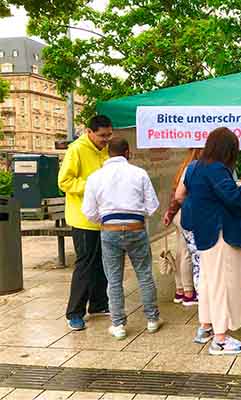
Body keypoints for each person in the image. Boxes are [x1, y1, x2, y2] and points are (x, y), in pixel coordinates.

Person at [81, 138, 163, 339]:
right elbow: (153, 206)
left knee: (114, 279)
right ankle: (152, 320)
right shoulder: (139, 173)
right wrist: (136, 212)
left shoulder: (95, 177)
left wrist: (106, 218)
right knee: (144, 274)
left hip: (110, 230)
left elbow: (88, 211)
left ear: (109, 153)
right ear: (127, 152)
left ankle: (118, 325)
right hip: (136, 229)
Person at [187, 127, 241, 355]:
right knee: (223, 283)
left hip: (204, 232)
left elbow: (184, 194)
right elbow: (232, 198)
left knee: (208, 280)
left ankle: (205, 326)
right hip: (221, 232)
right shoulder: (217, 168)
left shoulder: (194, 167)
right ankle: (221, 339)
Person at [58, 115, 112, 331]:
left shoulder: (106, 150)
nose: (106, 140)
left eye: (109, 135)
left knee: (102, 262)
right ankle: (74, 312)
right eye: (102, 136)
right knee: (85, 264)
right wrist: (92, 186)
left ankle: (98, 304)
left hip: (104, 217)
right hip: (82, 218)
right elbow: (64, 181)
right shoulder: (76, 149)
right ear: (89, 132)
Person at [163, 149, 202, 306]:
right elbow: (180, 196)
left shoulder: (184, 167)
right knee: (186, 253)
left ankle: (180, 290)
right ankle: (188, 292)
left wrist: (170, 213)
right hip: (187, 213)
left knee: (181, 252)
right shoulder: (195, 168)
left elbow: (175, 195)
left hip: (178, 214)